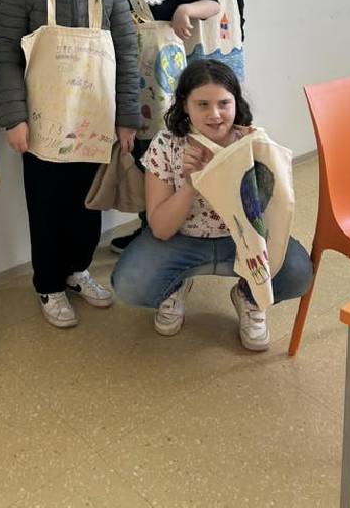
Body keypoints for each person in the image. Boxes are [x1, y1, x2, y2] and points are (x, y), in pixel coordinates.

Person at [0, 0, 140, 328]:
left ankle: (78, 270)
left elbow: (127, 52)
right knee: (46, 205)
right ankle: (48, 284)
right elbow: (6, 56)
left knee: (88, 203)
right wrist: (14, 118)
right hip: (43, 122)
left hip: (95, 116)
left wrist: (127, 117)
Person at [111, 60, 312, 350]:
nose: (215, 114)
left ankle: (248, 296)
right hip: (181, 239)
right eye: (202, 104)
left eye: (224, 103)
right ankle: (174, 288)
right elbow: (161, 229)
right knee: (130, 283)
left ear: (236, 102)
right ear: (185, 104)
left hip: (241, 240)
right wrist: (191, 184)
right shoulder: (166, 144)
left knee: (297, 272)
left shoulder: (252, 142)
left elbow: (269, 215)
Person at [108, 0, 219, 255]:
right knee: (137, 155)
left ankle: (162, 226)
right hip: (127, 82)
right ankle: (147, 227)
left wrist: (186, 9)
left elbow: (213, 4)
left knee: (164, 155)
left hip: (165, 88)